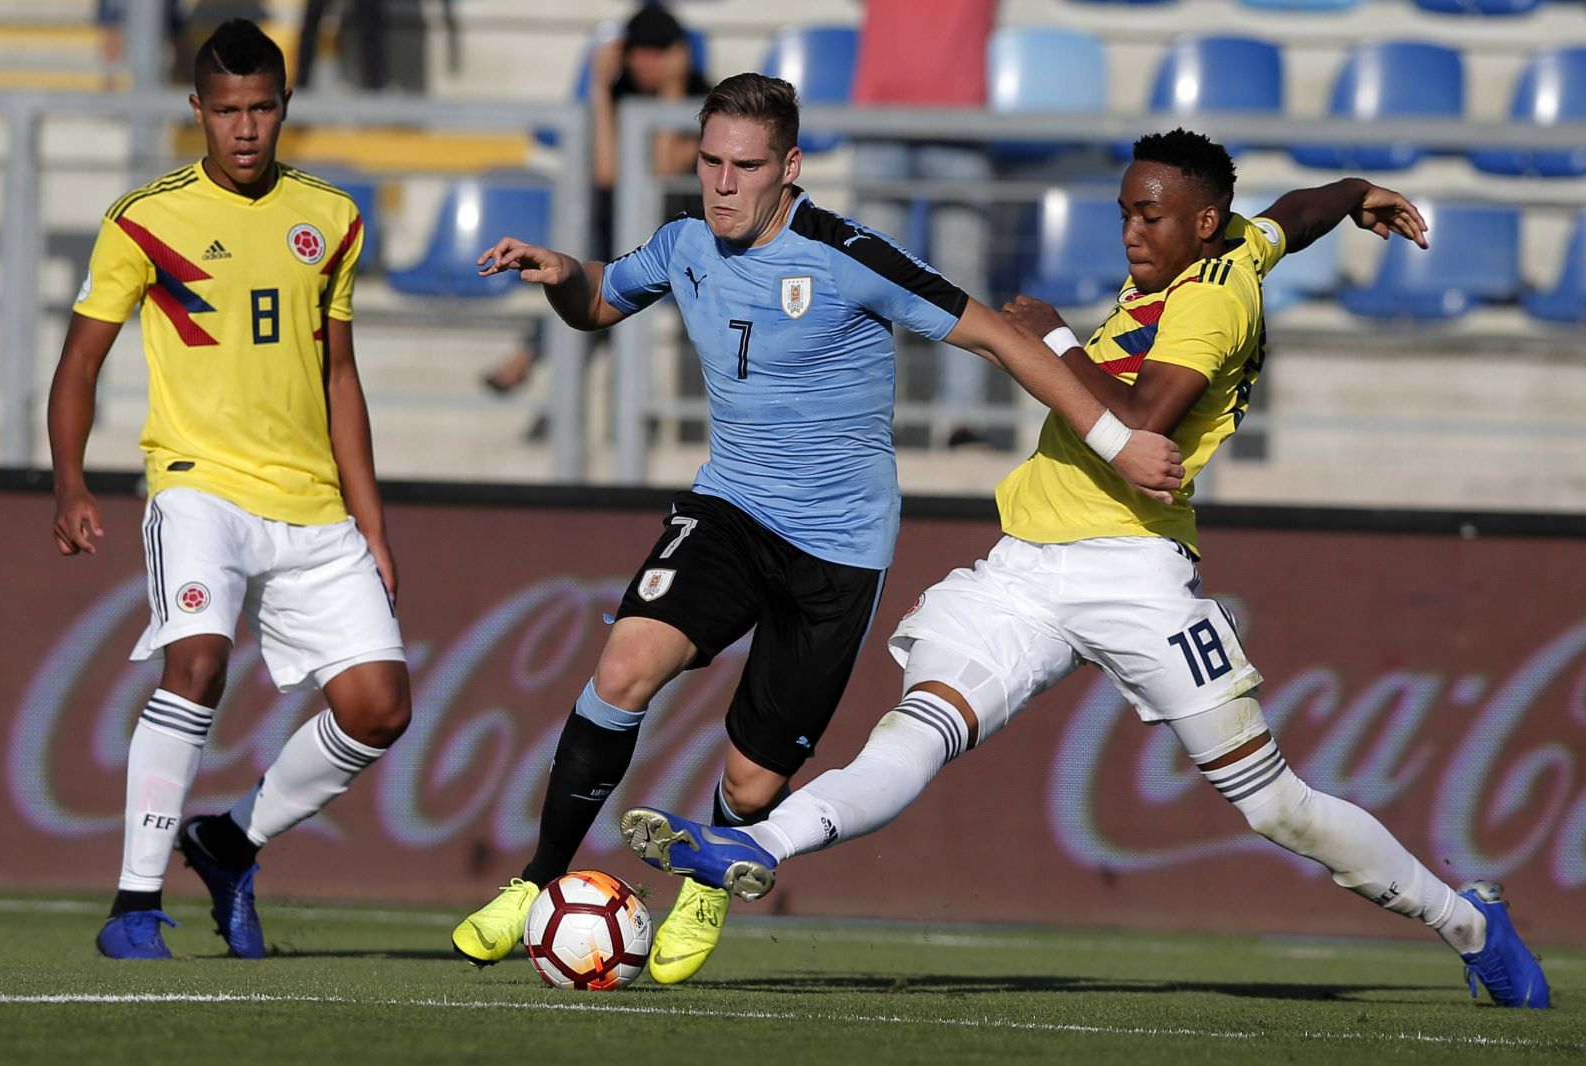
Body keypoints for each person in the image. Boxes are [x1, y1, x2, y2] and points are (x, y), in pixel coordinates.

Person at [619, 128, 1552, 1009]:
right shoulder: (1235, 243)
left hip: (1133, 572)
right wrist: (1355, 193)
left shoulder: (1211, 300)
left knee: (1277, 807)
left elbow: (1143, 423)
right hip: (1026, 570)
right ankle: (757, 846)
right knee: (917, 730)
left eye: (1151, 216)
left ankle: (1469, 923)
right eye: (1124, 212)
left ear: (1201, 222)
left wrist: (1056, 339)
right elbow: (1292, 215)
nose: (1131, 233)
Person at [450, 73, 1184, 985]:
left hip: (836, 549)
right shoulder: (684, 242)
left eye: (746, 166)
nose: (722, 183)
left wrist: (1115, 440)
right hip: (729, 509)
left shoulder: (847, 256)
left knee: (752, 782)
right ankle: (535, 883)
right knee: (623, 667)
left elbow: (998, 336)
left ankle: (707, 887)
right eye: (710, 162)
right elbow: (599, 301)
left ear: (789, 167)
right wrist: (564, 275)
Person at [49, 19, 412, 961]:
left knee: (380, 709)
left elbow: (339, 376)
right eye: (225, 111)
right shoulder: (144, 219)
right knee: (197, 664)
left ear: (285, 106)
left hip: (311, 504)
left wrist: (372, 525)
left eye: (260, 109)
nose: (244, 129)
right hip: (198, 487)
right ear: (197, 111)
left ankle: (229, 842)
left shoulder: (331, 218)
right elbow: (80, 361)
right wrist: (70, 481)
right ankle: (133, 906)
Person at [483, 3, 710, 396]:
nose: (645, 62)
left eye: (657, 51)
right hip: (621, 236)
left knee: (601, 275)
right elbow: (606, 174)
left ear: (677, 55)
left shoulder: (701, 100)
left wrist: (672, 90)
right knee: (587, 269)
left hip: (681, 242)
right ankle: (537, 358)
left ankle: (530, 354)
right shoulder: (620, 94)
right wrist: (601, 88)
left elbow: (664, 169)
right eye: (637, 50)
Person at [850, 0, 999, 449]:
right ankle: (871, 414)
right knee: (871, 276)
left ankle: (962, 420)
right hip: (881, 118)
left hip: (959, 118)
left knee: (961, 275)